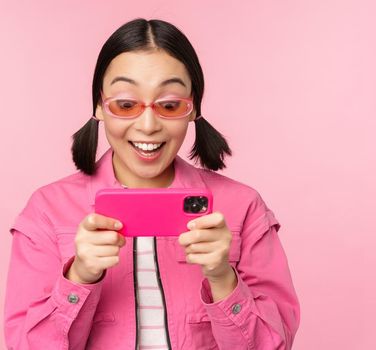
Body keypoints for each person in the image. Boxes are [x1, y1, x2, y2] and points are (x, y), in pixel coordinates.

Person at [3, 18, 300, 349]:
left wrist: (222, 278)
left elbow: (273, 345)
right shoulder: (46, 211)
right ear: (100, 106)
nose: (147, 125)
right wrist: (79, 277)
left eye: (169, 105)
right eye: (126, 104)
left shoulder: (243, 208)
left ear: (193, 108)